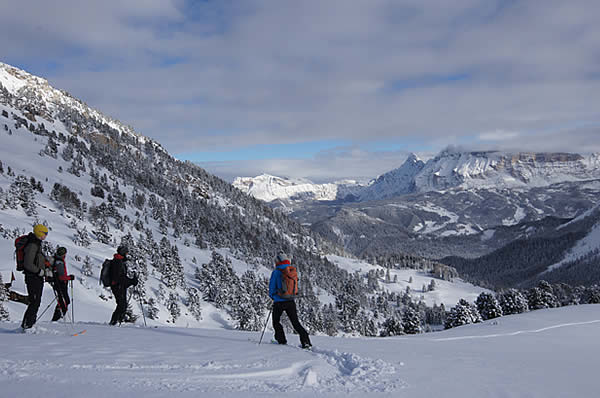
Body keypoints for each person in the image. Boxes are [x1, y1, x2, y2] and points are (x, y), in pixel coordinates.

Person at [268, 251, 312, 348]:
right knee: (295, 323)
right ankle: (306, 341)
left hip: (279, 301)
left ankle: (281, 340)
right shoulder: (292, 271)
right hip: (291, 301)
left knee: (276, 322)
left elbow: (271, 287)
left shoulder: (276, 272)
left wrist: (273, 296)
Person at [21, 224, 51, 330]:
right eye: (45, 233)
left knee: (36, 301)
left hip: (36, 277)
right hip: (33, 277)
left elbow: (37, 260)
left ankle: (29, 324)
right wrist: (40, 272)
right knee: (34, 302)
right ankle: (27, 325)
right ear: (39, 232)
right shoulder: (32, 245)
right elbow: (28, 263)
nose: (46, 236)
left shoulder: (36, 244)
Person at [109, 245, 138, 325]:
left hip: (119, 286)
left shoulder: (119, 261)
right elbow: (120, 278)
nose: (127, 254)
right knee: (122, 305)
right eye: (126, 252)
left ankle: (116, 322)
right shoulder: (118, 262)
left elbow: (122, 278)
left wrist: (130, 281)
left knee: (122, 305)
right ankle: (114, 322)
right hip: (118, 286)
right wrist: (132, 281)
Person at [50, 247, 74, 321]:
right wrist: (69, 277)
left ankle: (57, 318)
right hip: (60, 284)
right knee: (64, 302)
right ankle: (57, 319)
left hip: (58, 283)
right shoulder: (59, 262)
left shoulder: (57, 260)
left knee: (62, 301)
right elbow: (61, 277)